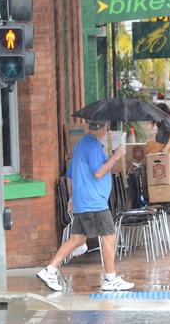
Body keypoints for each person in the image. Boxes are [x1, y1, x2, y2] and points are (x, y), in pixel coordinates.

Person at [37, 121, 134, 292]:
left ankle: (49, 270)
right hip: (94, 202)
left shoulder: (80, 145)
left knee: (77, 239)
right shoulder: (95, 147)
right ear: (103, 129)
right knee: (109, 237)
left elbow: (70, 175)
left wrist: (72, 197)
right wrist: (116, 156)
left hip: (82, 200)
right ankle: (110, 279)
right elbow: (98, 173)